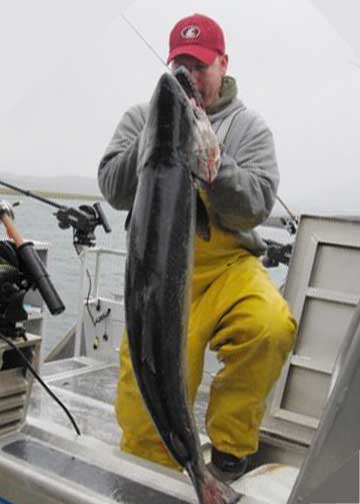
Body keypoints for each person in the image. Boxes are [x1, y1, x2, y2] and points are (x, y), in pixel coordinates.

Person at [98, 13, 297, 482]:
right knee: (150, 385)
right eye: (181, 65)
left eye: (201, 65)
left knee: (269, 328)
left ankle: (229, 451)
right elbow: (111, 184)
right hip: (160, 269)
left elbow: (258, 203)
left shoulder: (250, 129)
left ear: (223, 64)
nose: (191, 76)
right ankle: (156, 466)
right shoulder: (141, 117)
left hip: (228, 265)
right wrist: (155, 138)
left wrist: (216, 168)